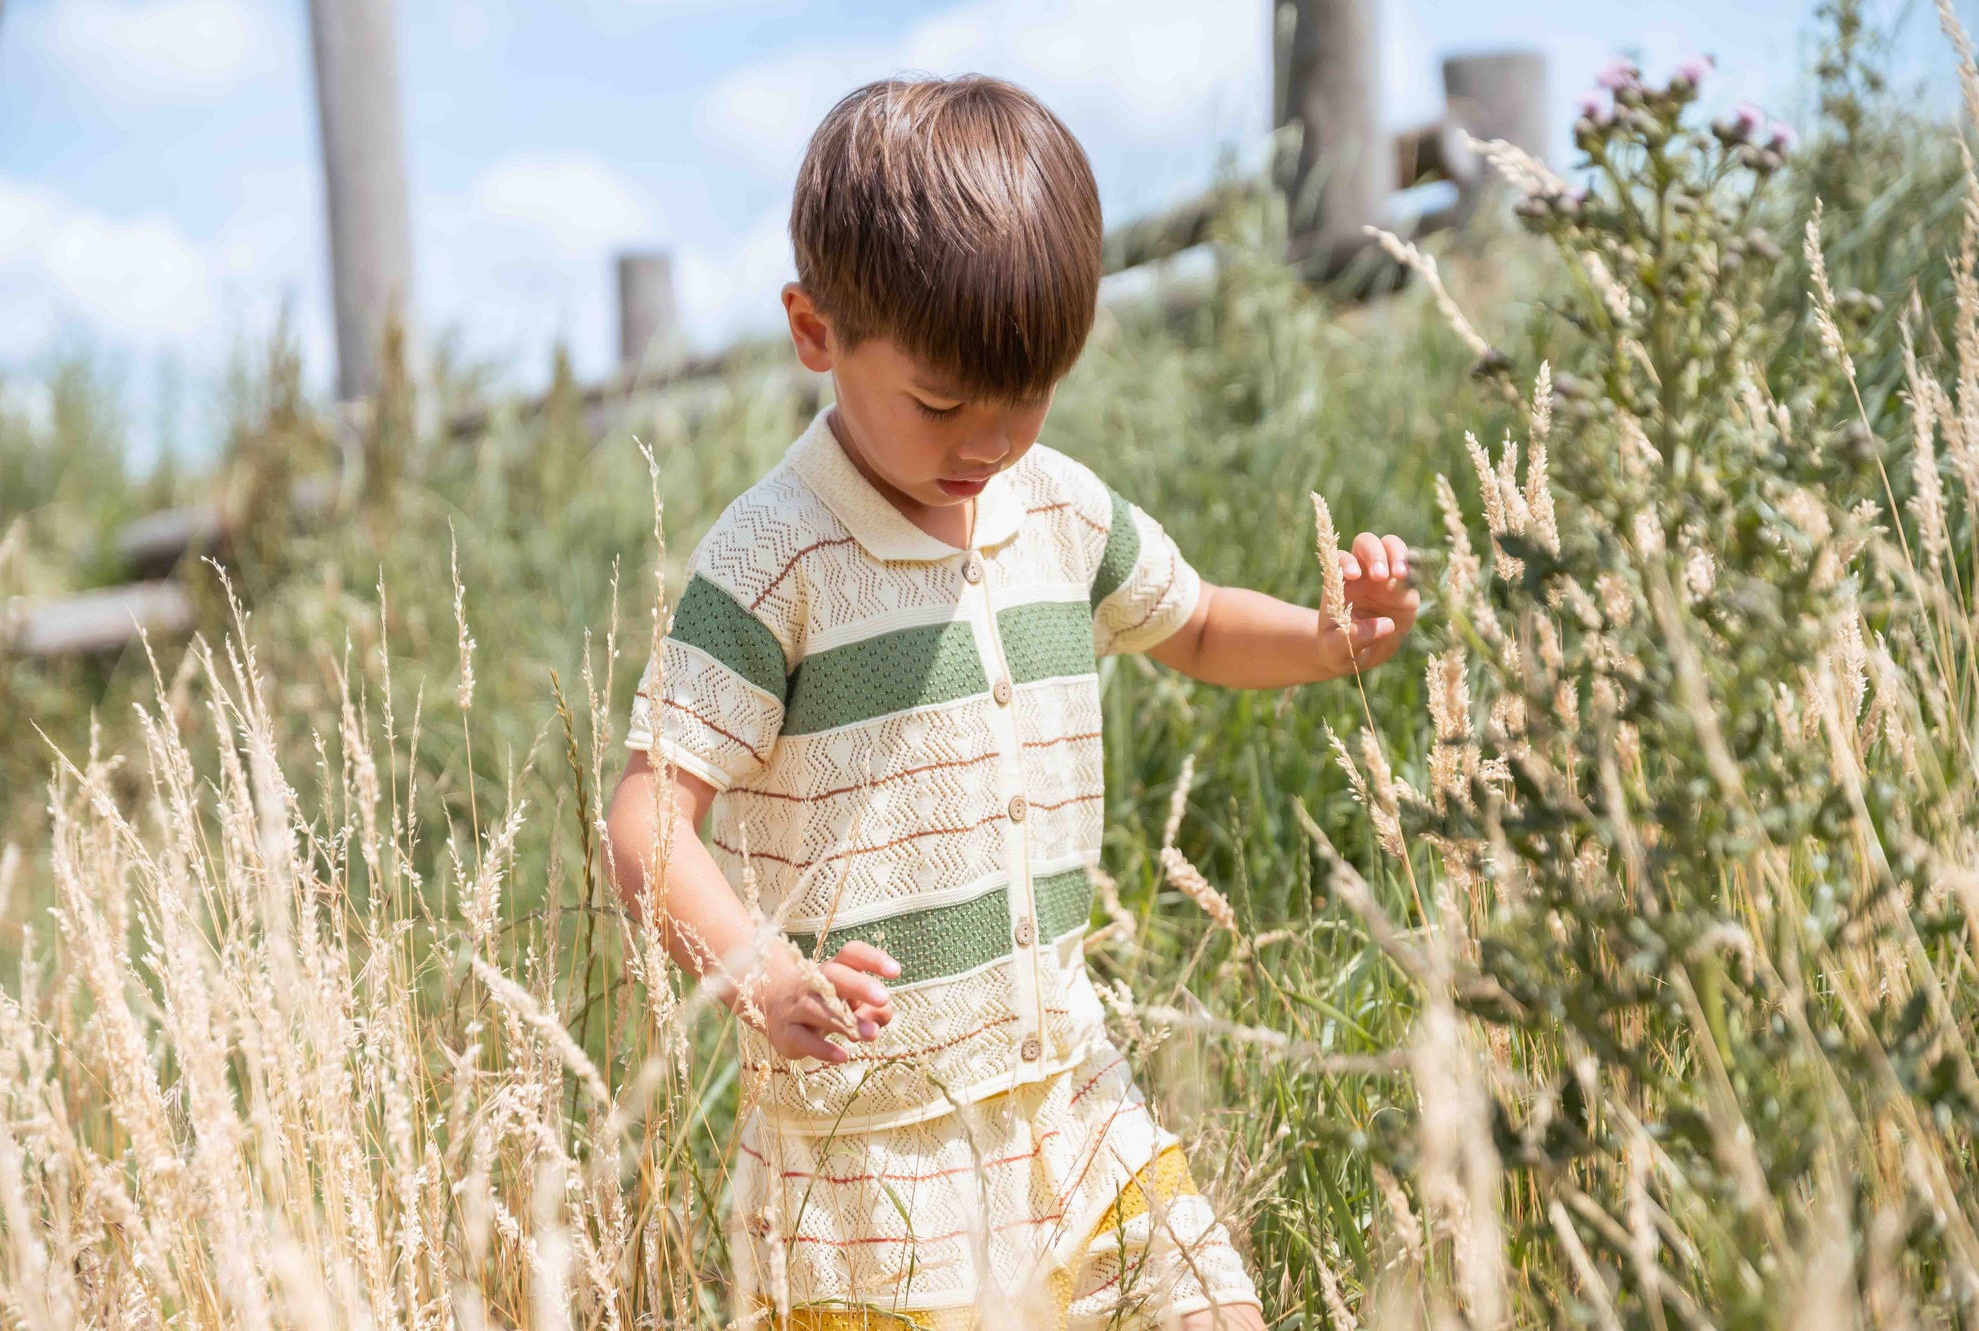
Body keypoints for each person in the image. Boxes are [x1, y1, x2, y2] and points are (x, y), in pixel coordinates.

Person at [605, 74, 1418, 1331]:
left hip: (1072, 1099)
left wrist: (1323, 637)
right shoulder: (774, 558)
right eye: (940, 402)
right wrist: (759, 971)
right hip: (873, 1153)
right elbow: (650, 813)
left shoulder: (1060, 507)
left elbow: (1194, 621)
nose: (988, 439)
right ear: (814, 331)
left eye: (1027, 395)